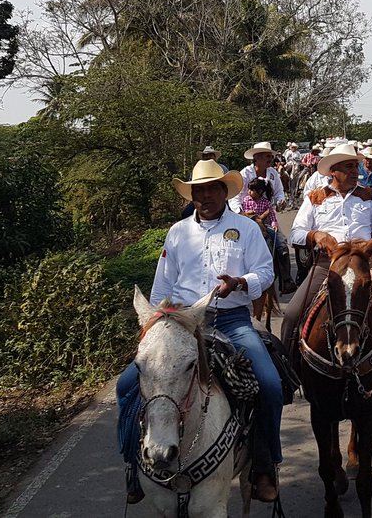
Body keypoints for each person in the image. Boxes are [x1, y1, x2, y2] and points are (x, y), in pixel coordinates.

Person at [116, 160, 285, 504]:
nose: (206, 196)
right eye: (199, 190)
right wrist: (155, 322)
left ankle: (264, 466)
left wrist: (241, 282)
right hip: (181, 324)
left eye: (212, 189)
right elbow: (162, 285)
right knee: (127, 385)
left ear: (225, 192)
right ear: (191, 195)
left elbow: (265, 272)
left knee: (270, 384)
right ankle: (133, 466)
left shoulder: (247, 229)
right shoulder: (177, 233)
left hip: (231, 320)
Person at [280, 143, 372, 394]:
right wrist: (316, 235)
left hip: (363, 264)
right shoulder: (315, 197)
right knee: (293, 314)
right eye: (348, 166)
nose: (354, 170)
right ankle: (286, 374)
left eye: (355, 165)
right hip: (327, 265)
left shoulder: (368, 195)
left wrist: (371, 245)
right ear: (333, 171)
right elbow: (296, 233)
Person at [233, 142, 286, 212]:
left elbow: (279, 191)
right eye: (267, 156)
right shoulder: (245, 173)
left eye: (271, 156)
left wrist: (280, 202)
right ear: (257, 157)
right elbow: (236, 197)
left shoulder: (273, 173)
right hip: (247, 215)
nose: (271, 159)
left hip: (267, 213)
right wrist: (240, 213)